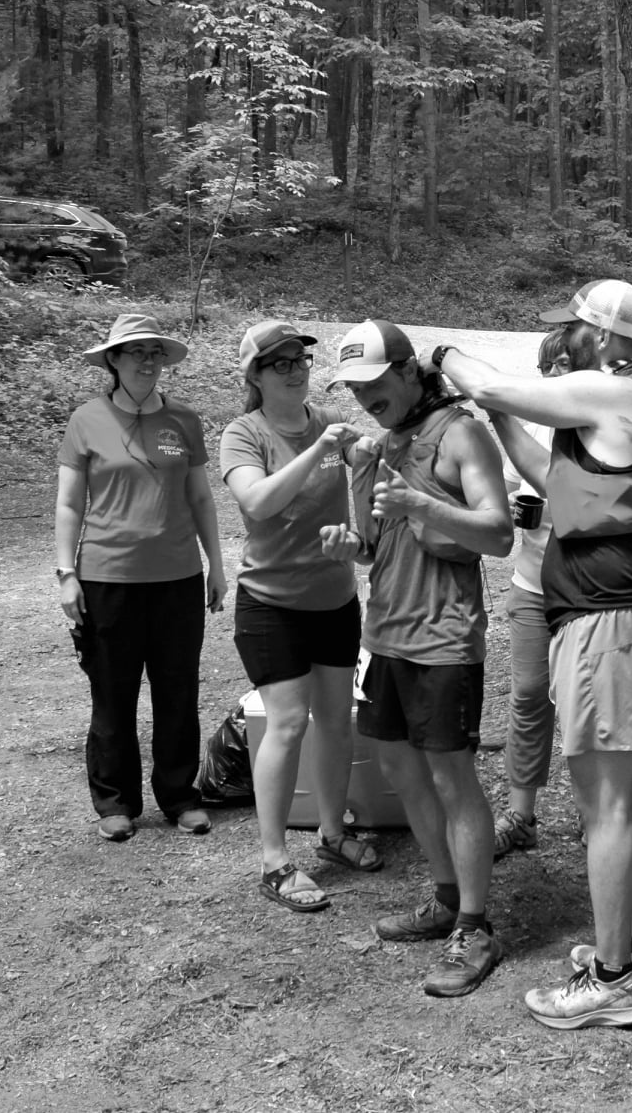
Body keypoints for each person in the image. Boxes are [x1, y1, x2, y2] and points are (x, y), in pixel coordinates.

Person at [430, 279, 632, 1030]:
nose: (562, 338)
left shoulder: (615, 393)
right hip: (613, 621)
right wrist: (499, 421)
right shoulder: (616, 409)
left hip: (602, 624)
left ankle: (611, 981)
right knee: (627, 799)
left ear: (605, 339)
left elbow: (487, 380)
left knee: (605, 806)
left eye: (572, 328)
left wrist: (442, 354)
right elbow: (556, 482)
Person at [324, 319, 514, 998]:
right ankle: (442, 896)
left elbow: (498, 533)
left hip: (443, 639)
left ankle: (475, 925)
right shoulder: (389, 441)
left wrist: (414, 497)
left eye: (374, 384)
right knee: (402, 772)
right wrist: (351, 531)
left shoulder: (460, 432)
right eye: (354, 389)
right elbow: (375, 546)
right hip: (388, 636)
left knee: (452, 780)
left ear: (408, 371)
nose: (364, 397)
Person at [220, 320, 383, 914]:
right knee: (287, 724)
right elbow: (258, 501)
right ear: (254, 376)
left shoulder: (331, 429)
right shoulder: (244, 433)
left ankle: (333, 835)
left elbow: (370, 486)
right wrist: (320, 449)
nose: (294, 369)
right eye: (279, 362)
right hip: (270, 605)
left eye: (299, 360)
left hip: (334, 599)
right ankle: (273, 861)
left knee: (337, 720)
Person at [55, 314, 226, 842]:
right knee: (113, 693)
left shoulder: (185, 421)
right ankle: (116, 801)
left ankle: (179, 797)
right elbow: (69, 503)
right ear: (113, 360)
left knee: (178, 691)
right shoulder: (86, 419)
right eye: (135, 352)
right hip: (107, 578)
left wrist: (216, 565)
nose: (147, 362)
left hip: (177, 577)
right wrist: (66, 573)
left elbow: (200, 497)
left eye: (155, 352)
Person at [485, 326, 580, 859]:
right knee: (527, 697)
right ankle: (521, 817)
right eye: (551, 367)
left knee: (583, 709)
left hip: (586, 594)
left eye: (569, 364)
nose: (558, 375)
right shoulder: (532, 431)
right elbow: (509, 489)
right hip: (530, 586)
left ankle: (598, 814)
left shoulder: (599, 429)